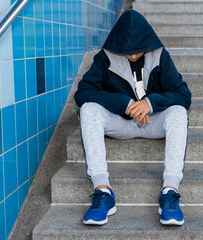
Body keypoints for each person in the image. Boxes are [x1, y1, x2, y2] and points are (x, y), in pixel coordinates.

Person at [74, 9, 191, 226]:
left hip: (153, 122)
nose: (134, 55)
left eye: (138, 51)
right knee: (88, 109)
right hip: (120, 123)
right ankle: (103, 192)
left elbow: (183, 95)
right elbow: (82, 93)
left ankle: (170, 192)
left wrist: (150, 103)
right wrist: (124, 103)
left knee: (178, 112)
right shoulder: (105, 58)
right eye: (128, 52)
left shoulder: (159, 55)